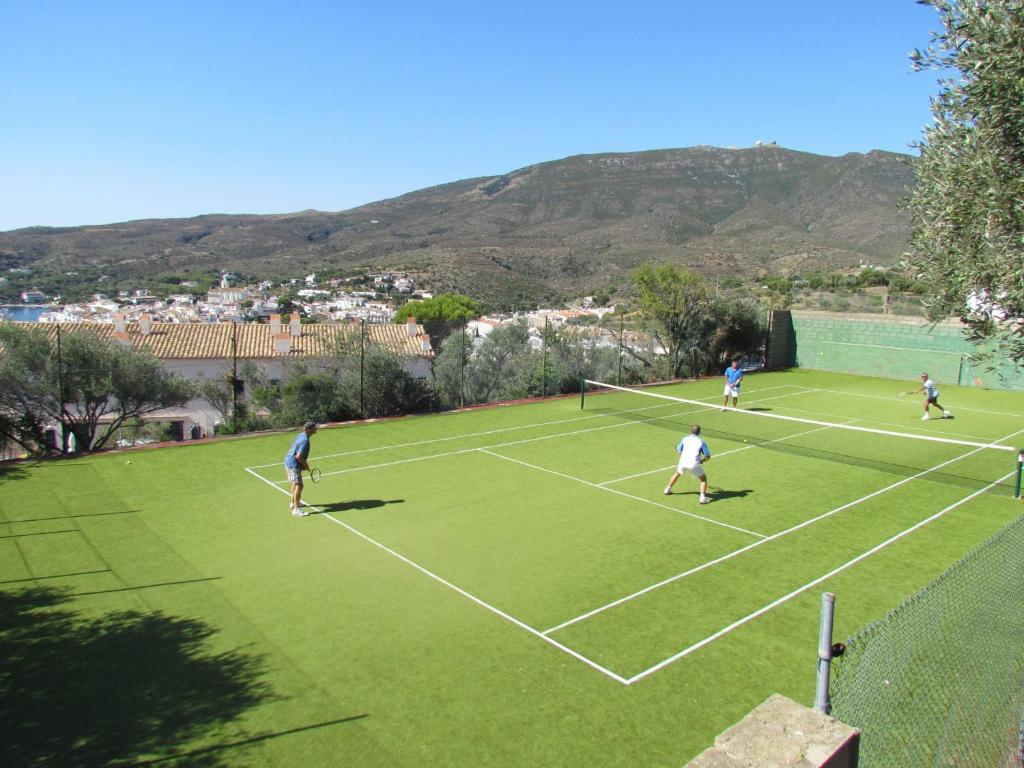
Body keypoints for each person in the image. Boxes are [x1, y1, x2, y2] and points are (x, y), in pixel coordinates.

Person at [664, 424, 711, 504]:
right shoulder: (701, 442)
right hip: (694, 463)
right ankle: (702, 498)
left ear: (691, 431)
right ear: (699, 432)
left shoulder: (684, 439)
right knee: (703, 479)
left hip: (683, 461)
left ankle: (667, 489)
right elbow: (707, 456)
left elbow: (679, 451)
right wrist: (702, 460)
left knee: (677, 473)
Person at [284, 421, 318, 516]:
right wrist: (306, 465)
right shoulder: (305, 440)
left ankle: (293, 503)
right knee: (300, 485)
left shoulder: (301, 435)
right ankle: (296, 509)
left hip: (289, 461)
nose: (315, 430)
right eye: (314, 428)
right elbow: (298, 456)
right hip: (293, 464)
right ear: (309, 430)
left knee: (295, 483)